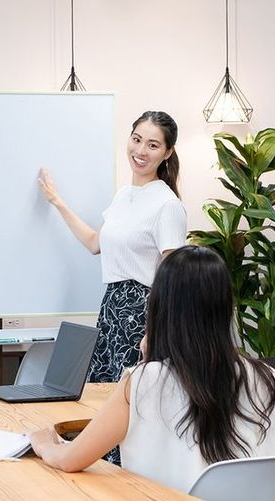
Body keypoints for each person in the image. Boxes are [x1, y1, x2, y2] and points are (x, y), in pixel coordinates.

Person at [27, 246, 275, 492]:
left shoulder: (144, 381)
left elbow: (70, 460)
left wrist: (43, 443)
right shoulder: (270, 380)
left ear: (161, 307)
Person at [38, 110, 187, 384]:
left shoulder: (168, 205)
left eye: (153, 145)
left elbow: (175, 279)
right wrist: (57, 201)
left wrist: (153, 332)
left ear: (167, 152)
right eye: (136, 139)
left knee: (130, 396)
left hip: (143, 316)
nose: (140, 151)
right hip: (111, 309)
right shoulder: (123, 195)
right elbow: (95, 243)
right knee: (102, 393)